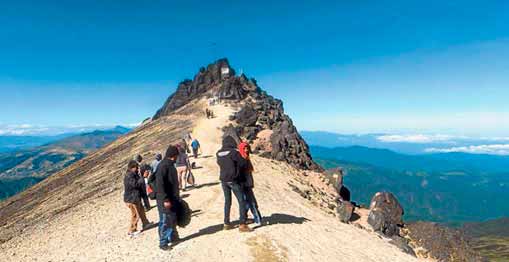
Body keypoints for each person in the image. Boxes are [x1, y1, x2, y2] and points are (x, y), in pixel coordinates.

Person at [216, 136, 253, 232]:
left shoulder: (218, 153)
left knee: (227, 201)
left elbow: (219, 164)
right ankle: (242, 224)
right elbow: (243, 163)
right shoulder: (234, 153)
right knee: (241, 201)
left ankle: (226, 223)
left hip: (224, 180)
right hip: (234, 180)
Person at [154, 145, 181, 250]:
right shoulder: (164, 166)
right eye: (177, 156)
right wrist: (165, 200)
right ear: (173, 156)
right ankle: (163, 243)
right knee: (165, 221)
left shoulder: (169, 164)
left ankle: (172, 237)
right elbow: (160, 185)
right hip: (165, 199)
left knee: (170, 219)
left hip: (170, 198)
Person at [124, 160, 151, 237]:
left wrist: (141, 176)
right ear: (132, 167)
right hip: (131, 199)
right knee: (135, 214)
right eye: (137, 167)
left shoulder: (134, 174)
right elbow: (135, 185)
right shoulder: (129, 175)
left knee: (141, 210)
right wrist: (143, 177)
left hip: (135, 197)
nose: (138, 169)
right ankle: (132, 230)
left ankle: (145, 223)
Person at [238, 141, 262, 226]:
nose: (246, 150)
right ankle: (257, 220)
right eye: (244, 148)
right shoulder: (241, 159)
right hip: (244, 184)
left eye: (247, 148)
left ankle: (243, 218)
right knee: (251, 202)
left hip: (247, 184)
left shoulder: (246, 158)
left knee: (247, 203)